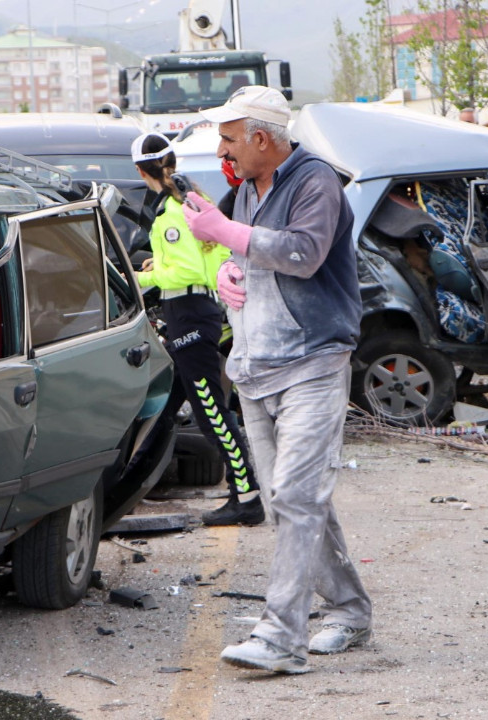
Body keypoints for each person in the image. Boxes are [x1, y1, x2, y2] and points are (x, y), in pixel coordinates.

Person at [181, 85, 373, 674]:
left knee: (295, 495)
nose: (224, 150)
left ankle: (281, 636)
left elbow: (303, 254)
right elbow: (251, 258)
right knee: (294, 500)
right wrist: (230, 276)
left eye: (230, 138)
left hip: (312, 362)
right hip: (257, 365)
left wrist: (225, 237)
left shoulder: (315, 182)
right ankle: (349, 610)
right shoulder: (247, 190)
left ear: (262, 139)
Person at [130, 132, 262, 526]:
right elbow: (200, 258)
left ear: (140, 170)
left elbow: (186, 270)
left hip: (188, 313)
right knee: (171, 406)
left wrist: (142, 278)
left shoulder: (171, 212)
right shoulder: (187, 200)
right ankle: (128, 484)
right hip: (193, 310)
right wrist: (159, 266)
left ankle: (248, 494)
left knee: (211, 413)